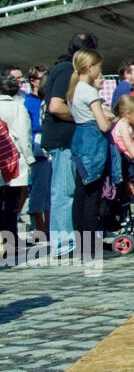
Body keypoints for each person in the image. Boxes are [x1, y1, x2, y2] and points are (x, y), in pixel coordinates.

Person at [43, 32, 99, 258]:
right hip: (63, 140)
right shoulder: (67, 70)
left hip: (66, 139)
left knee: (69, 192)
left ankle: (71, 240)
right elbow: (55, 106)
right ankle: (63, 244)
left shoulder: (62, 69)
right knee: (64, 192)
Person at [67, 50, 120, 248]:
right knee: (93, 196)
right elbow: (103, 125)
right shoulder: (89, 92)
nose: (100, 71)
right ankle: (91, 242)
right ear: (90, 67)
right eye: (98, 66)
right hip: (94, 144)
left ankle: (81, 241)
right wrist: (111, 118)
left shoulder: (74, 89)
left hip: (79, 140)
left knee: (80, 194)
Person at [0, 72, 34, 264]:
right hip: (14, 161)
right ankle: (10, 244)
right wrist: (29, 159)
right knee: (12, 205)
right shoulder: (17, 107)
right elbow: (22, 135)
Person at [24, 66, 50, 241]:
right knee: (39, 189)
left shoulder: (48, 98)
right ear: (33, 81)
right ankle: (39, 228)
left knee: (50, 190)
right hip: (38, 149)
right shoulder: (29, 102)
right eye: (42, 78)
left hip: (48, 148)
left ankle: (49, 226)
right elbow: (32, 125)